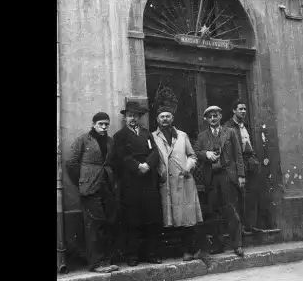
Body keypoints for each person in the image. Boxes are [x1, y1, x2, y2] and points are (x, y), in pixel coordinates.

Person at [65, 112, 120, 273]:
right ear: (94, 124)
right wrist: (82, 182)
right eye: (101, 124)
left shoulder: (110, 141)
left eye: (106, 124)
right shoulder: (83, 140)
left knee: (108, 222)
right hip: (90, 189)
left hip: (107, 187)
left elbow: (113, 163)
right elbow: (71, 163)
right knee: (94, 225)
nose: (104, 127)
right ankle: (96, 263)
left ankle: (106, 260)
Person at [113, 102, 164, 266]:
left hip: (148, 180)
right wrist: (137, 166)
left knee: (152, 218)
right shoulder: (119, 136)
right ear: (125, 117)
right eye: (130, 115)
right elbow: (121, 156)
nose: (133, 118)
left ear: (139, 117)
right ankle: (132, 256)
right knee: (132, 220)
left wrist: (148, 164)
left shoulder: (147, 134)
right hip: (131, 182)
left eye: (136, 115)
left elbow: (155, 152)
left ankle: (151, 254)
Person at [151, 107, 204, 261]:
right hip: (166, 182)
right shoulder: (153, 137)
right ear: (157, 120)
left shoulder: (182, 135)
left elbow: (192, 155)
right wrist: (159, 172)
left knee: (187, 218)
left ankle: (189, 250)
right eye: (162, 117)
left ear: (172, 119)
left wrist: (187, 168)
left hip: (183, 180)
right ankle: (168, 252)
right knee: (170, 218)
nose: (165, 119)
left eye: (168, 116)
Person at [195, 106, 246, 257]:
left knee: (231, 210)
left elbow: (238, 155)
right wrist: (206, 154)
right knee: (214, 212)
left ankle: (237, 245)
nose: (213, 118)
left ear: (220, 116)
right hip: (211, 177)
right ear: (206, 119)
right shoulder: (202, 136)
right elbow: (196, 152)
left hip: (227, 176)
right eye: (210, 116)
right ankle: (218, 245)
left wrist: (241, 175)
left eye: (215, 115)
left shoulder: (230, 132)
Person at [223, 99, 264, 234]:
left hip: (250, 163)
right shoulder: (228, 127)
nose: (243, 111)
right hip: (237, 164)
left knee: (251, 194)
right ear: (234, 110)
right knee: (238, 196)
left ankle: (250, 225)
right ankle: (239, 228)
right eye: (240, 109)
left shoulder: (245, 125)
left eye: (245, 109)